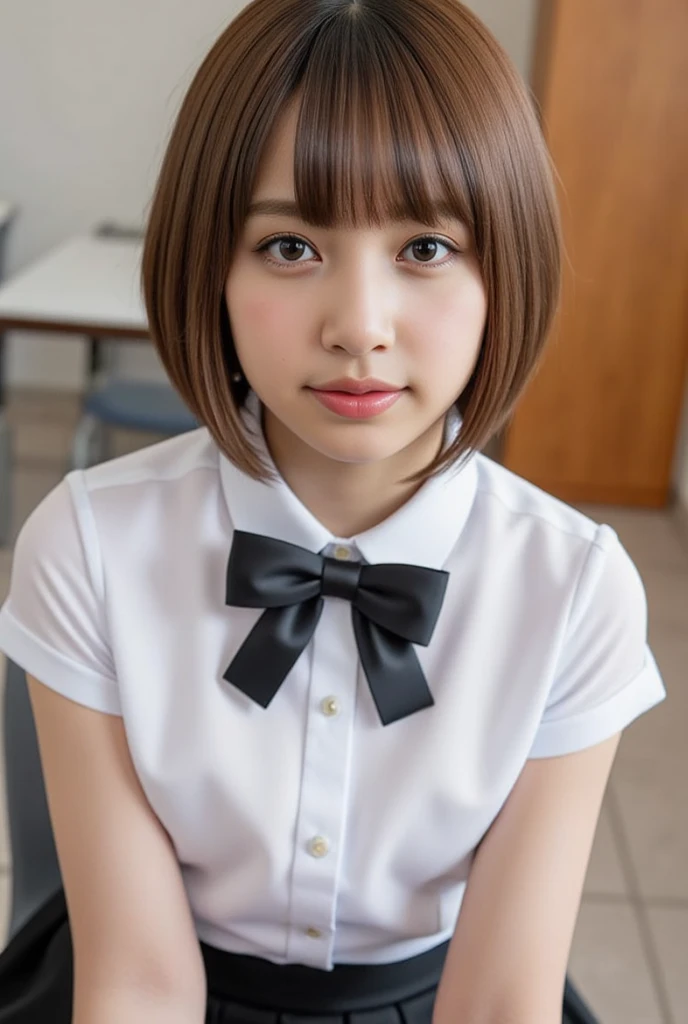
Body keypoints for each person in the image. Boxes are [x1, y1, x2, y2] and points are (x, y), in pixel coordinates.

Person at [0, 0, 667, 1021]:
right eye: (289, 247)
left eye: (427, 249)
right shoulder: (86, 545)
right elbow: (137, 981)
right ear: (209, 266)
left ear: (506, 268)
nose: (359, 326)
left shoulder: (575, 586)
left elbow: (497, 1000)